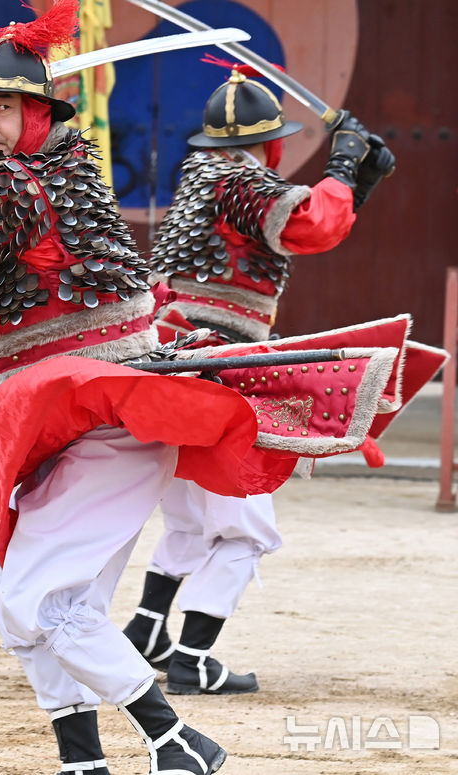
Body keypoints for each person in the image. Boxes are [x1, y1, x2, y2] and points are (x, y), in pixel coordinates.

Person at [0, 5, 410, 773]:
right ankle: (87, 756)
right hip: (78, 401)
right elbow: (313, 223)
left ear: (36, 119)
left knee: (49, 598)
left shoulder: (24, 184)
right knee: (40, 601)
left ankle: (177, 738)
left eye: (2, 107)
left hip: (110, 408)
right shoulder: (44, 176)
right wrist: (347, 172)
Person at [123, 62, 396, 697]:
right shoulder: (239, 181)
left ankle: (146, 629)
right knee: (247, 529)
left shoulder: (204, 179)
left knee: (191, 518)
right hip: (217, 369)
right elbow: (311, 224)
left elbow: (297, 232)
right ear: (271, 143)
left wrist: (357, 180)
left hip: (174, 363)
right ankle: (193, 658)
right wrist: (341, 167)